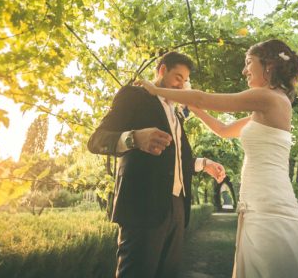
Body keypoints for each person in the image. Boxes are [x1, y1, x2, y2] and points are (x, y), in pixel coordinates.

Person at [140, 40, 298, 278]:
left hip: (267, 199)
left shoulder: (267, 98)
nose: (244, 70)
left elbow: (201, 98)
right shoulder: (268, 105)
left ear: (268, 65)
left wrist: (156, 91)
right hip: (257, 199)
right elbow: (222, 129)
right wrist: (191, 105)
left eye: (249, 62)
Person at [88, 51, 227, 278]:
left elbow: (175, 161)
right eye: (178, 78)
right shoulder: (133, 96)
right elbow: (96, 140)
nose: (182, 86)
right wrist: (134, 138)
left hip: (177, 210)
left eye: (185, 81)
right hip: (143, 208)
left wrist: (204, 164)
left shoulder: (177, 114)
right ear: (162, 70)